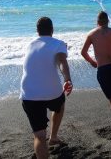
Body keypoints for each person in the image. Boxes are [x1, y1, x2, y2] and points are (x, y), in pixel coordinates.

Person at [20, 17, 73, 159]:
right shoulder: (59, 44)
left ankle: (50, 138)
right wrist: (67, 79)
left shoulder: (29, 45)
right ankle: (54, 136)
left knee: (39, 136)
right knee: (59, 105)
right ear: (52, 29)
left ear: (37, 31)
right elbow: (62, 61)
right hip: (53, 93)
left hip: (29, 94)